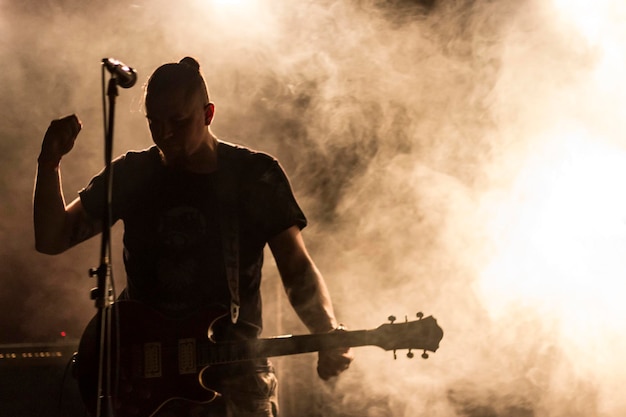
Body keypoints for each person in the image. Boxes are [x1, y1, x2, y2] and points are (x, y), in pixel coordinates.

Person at [33, 56, 353, 417]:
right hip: (145, 387)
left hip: (234, 379)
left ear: (208, 113)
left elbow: (296, 268)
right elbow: (52, 238)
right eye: (154, 122)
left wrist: (326, 330)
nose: (165, 133)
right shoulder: (131, 174)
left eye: (179, 121)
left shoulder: (254, 175)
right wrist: (49, 164)